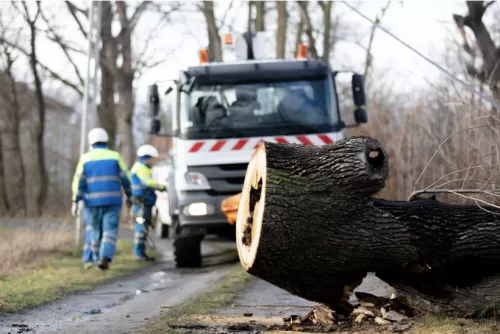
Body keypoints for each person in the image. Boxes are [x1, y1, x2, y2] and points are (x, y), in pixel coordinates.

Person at [71, 128, 132, 270]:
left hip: (92, 202)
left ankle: (95, 258)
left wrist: (76, 200)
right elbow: (126, 178)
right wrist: (129, 195)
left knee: (94, 230)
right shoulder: (115, 156)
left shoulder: (85, 158)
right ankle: (104, 258)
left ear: (91, 142)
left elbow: (79, 182)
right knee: (109, 231)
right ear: (106, 141)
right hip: (113, 201)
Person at [130, 144, 167, 261]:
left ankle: (141, 252)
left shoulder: (142, 167)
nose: (153, 161)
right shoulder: (141, 167)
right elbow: (148, 183)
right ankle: (138, 253)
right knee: (141, 226)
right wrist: (162, 187)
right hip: (141, 202)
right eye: (152, 158)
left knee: (143, 226)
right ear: (147, 157)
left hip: (144, 202)